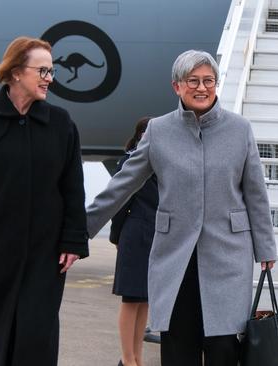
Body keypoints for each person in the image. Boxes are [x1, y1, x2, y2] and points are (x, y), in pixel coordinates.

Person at [86, 49, 277, 366]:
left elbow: (256, 193)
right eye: (193, 81)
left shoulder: (239, 130)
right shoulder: (159, 131)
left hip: (228, 256)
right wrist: (80, 229)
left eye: (208, 81)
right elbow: (124, 183)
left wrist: (265, 247)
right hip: (175, 258)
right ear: (177, 86)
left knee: (223, 348)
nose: (202, 88)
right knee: (178, 348)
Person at [0, 36, 89, 366]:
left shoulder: (61, 124)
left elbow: (72, 190)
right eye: (43, 71)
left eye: (51, 72)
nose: (50, 78)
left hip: (44, 259)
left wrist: (73, 240)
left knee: (35, 343)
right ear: (17, 72)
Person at [110, 117, 158, 366]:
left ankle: (136, 356)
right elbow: (119, 200)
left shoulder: (160, 161)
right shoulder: (131, 161)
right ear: (141, 135)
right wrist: (116, 236)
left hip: (155, 237)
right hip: (136, 233)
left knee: (145, 299)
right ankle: (128, 359)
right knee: (131, 299)